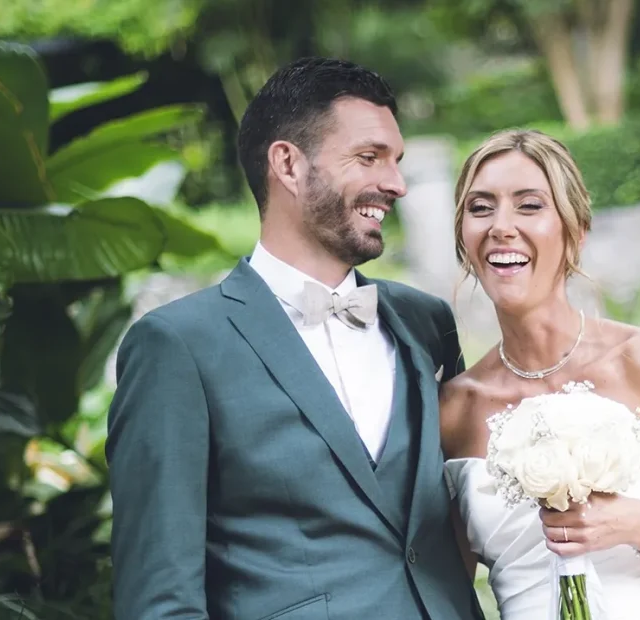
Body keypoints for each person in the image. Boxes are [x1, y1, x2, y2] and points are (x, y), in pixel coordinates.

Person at [105, 57, 484, 620]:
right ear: (288, 164)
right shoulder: (177, 346)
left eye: (397, 161)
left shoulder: (424, 321)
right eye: (369, 157)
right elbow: (160, 599)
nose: (396, 184)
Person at [440, 129, 640, 619]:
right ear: (463, 238)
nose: (501, 226)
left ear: (576, 231)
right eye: (481, 208)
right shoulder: (454, 411)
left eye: (529, 206)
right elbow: (444, 596)